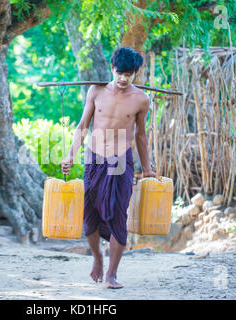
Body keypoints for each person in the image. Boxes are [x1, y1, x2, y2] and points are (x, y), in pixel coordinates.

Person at [61, 47, 156, 289]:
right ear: (111, 69)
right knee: (90, 216)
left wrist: (147, 168)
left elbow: (141, 136)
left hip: (121, 161)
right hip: (94, 159)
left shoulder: (141, 99)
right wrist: (70, 155)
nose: (124, 78)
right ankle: (97, 258)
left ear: (135, 73)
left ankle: (112, 274)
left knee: (118, 216)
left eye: (129, 74)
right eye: (120, 72)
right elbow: (83, 125)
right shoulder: (96, 91)